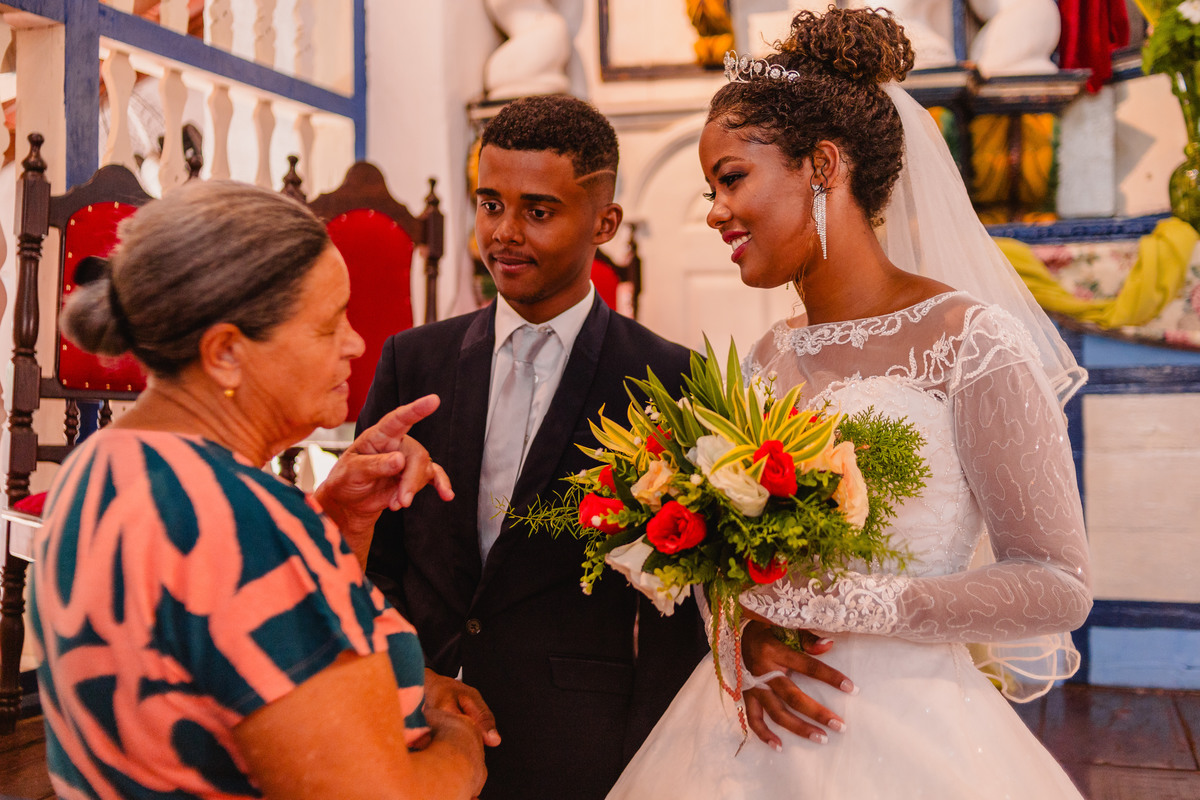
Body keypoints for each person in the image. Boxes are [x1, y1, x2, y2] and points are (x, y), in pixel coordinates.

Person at [607, 8, 1093, 798]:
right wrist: (744, 639)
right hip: (753, 724)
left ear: (823, 165)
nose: (716, 210)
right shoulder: (767, 358)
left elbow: (1056, 582)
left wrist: (853, 602)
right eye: (711, 189)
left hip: (914, 730)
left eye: (732, 178)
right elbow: (729, 570)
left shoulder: (971, 341)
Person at [30, 181, 488, 800]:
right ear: (225, 352)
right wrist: (459, 749)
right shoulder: (239, 522)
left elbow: (236, 643)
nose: (356, 343)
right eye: (328, 326)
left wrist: (339, 520)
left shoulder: (101, 464)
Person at [357, 94, 712, 800]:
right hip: (413, 724)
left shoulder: (668, 379)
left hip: (579, 743)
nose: (504, 233)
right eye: (490, 204)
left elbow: (677, 608)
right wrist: (410, 672)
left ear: (604, 223)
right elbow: (375, 554)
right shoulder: (412, 361)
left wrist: (650, 758)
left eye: (539, 212)